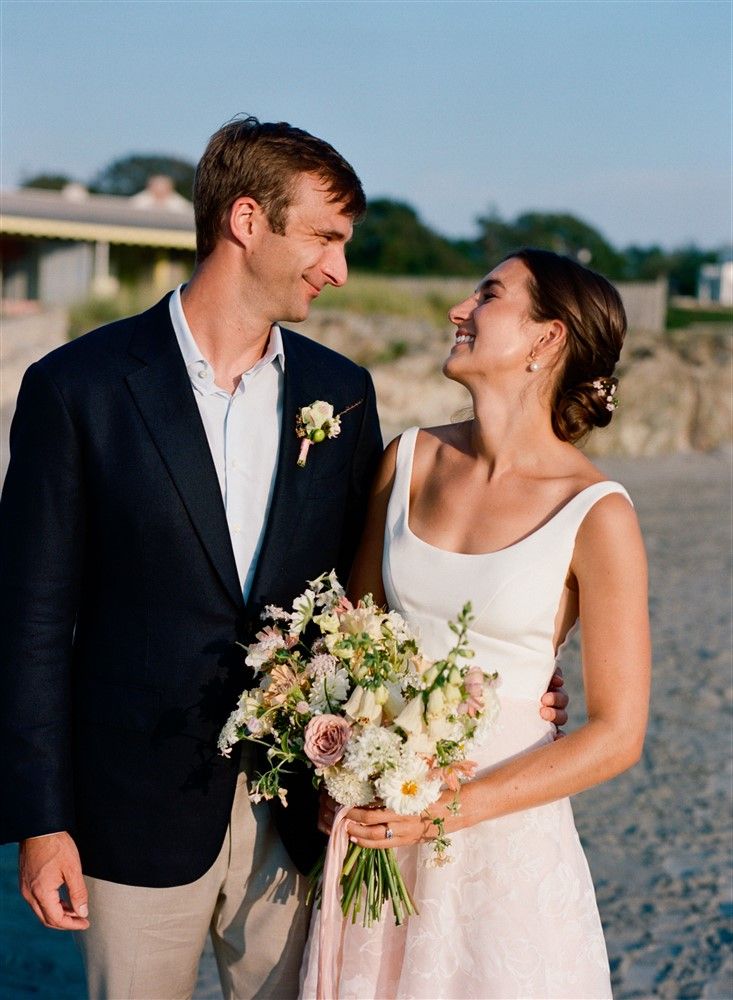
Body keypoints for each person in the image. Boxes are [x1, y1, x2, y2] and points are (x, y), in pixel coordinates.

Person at [0, 118, 569, 1000]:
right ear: (246, 220)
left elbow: (372, 596)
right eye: (325, 237)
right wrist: (42, 824)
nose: (337, 269)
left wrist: (500, 684)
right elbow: (28, 620)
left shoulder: (339, 394)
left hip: (303, 809)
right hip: (130, 808)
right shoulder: (76, 388)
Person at [302, 249, 651, 1000]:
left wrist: (443, 813)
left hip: (502, 839)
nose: (458, 310)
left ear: (544, 339)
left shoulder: (596, 513)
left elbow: (617, 734)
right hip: (379, 829)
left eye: (488, 295)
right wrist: (339, 766)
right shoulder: (408, 462)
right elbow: (353, 645)